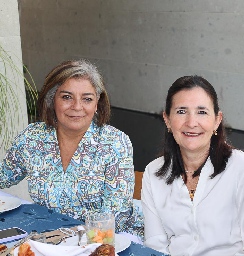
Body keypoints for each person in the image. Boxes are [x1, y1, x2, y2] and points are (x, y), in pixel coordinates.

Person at [0, 59, 143, 239]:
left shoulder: (114, 143)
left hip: (105, 240)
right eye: (67, 97)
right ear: (52, 100)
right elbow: (4, 176)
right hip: (47, 237)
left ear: (97, 103)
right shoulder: (32, 138)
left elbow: (115, 217)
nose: (77, 107)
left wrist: (64, 235)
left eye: (87, 99)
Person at [141, 75, 244, 255]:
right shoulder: (153, 173)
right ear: (167, 120)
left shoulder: (243, 168)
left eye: (202, 112)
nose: (191, 123)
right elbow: (155, 244)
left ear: (217, 120)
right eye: (181, 111)